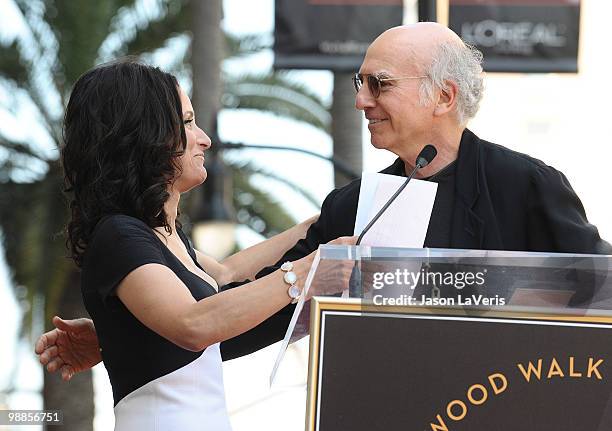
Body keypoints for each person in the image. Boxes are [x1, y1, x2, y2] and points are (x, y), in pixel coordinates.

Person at [37, 22, 611, 390]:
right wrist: (126, 335)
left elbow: (599, 291)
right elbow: (251, 316)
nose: (361, 100)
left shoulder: (529, 184)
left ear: (443, 95)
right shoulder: (352, 206)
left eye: (379, 85)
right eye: (359, 82)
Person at [40, 59, 354, 430]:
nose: (204, 138)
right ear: (144, 134)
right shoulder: (119, 236)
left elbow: (229, 271)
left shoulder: (163, 237)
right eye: (187, 123)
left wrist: (323, 221)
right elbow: (194, 323)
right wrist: (307, 272)